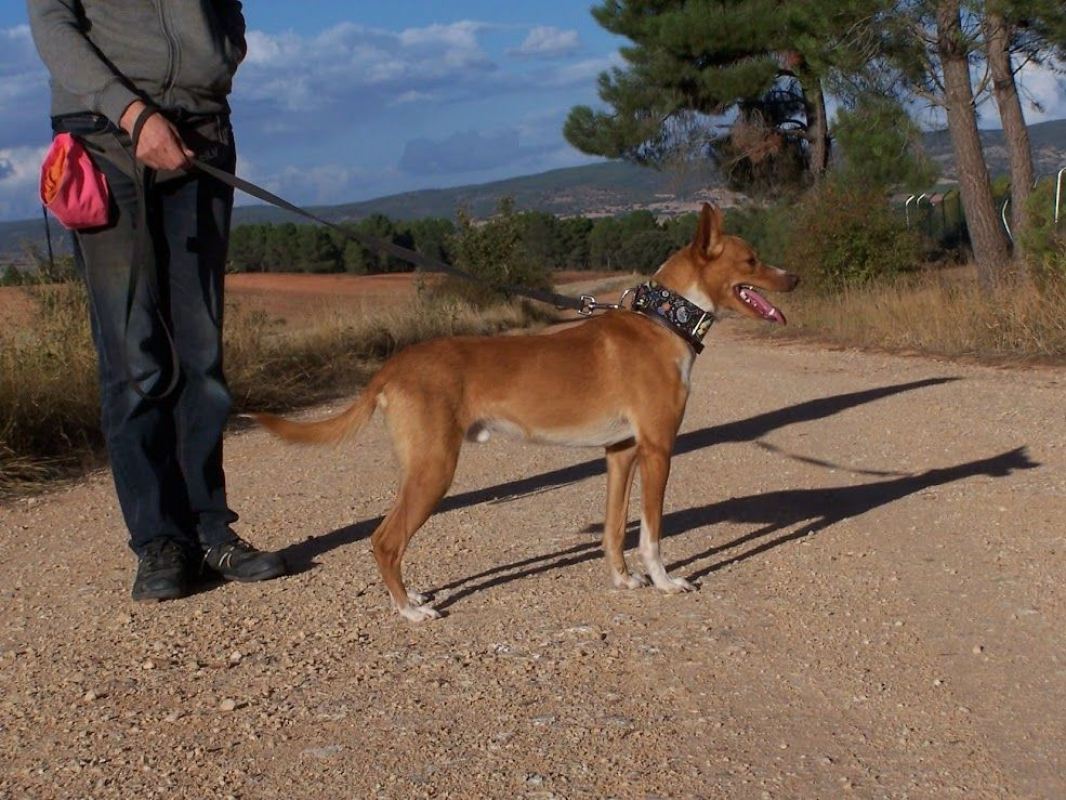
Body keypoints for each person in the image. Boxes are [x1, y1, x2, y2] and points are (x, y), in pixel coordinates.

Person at [27, 0, 285, 601]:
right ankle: (159, 543)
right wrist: (132, 112)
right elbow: (50, 22)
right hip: (104, 139)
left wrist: (218, 60)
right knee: (133, 353)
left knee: (200, 352)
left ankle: (211, 531)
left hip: (202, 131)